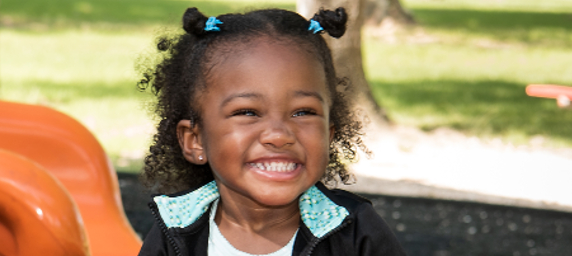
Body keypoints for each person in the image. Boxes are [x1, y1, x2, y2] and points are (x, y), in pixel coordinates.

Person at [137, 6, 406, 256]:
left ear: (329, 133)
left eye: (303, 112)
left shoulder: (356, 233)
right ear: (195, 141)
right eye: (248, 113)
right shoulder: (173, 232)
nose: (279, 135)